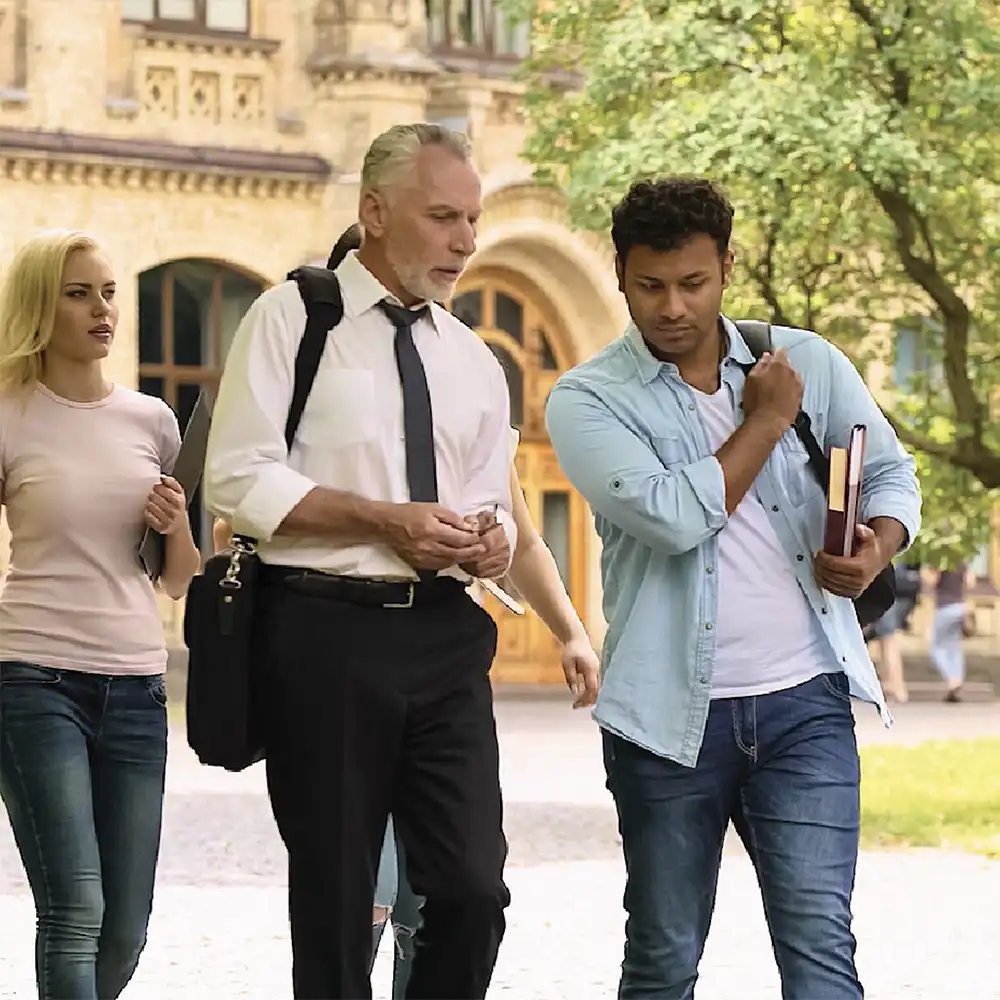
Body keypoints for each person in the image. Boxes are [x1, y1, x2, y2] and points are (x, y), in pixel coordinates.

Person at [545, 179, 921, 1000]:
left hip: (805, 707)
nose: (672, 307)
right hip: (666, 724)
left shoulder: (807, 362)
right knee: (664, 958)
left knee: (821, 951)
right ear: (619, 273)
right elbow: (678, 518)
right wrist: (766, 423)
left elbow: (891, 474)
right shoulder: (588, 399)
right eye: (650, 286)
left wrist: (874, 546)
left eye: (693, 283)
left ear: (725, 268)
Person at [203, 122, 515, 1000]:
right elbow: (235, 479)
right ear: (374, 212)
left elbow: (495, 508)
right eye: (443, 216)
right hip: (322, 634)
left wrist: (493, 543)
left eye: (474, 219)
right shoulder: (292, 319)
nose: (465, 240)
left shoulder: (476, 362)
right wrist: (384, 521)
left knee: (471, 891)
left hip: (450, 637)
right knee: (339, 907)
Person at [0, 230, 201, 1000]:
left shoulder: (153, 422)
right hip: (33, 680)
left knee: (127, 926)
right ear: (39, 308)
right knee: (75, 907)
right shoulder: (11, 414)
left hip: (137, 687)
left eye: (109, 292)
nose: (101, 309)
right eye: (78, 293)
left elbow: (178, 580)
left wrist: (176, 520)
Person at [369, 434, 601, 997]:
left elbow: (521, 542)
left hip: (445, 659)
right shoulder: (335, 385)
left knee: (453, 894)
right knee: (366, 893)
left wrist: (571, 632)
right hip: (344, 651)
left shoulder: (472, 400)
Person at [929, 561, 976, 702]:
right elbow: (971, 582)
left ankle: (952, 679)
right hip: (961, 607)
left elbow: (932, 580)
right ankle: (958, 679)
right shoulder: (961, 559)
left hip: (945, 607)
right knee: (954, 648)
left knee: (936, 648)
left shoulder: (940, 560)